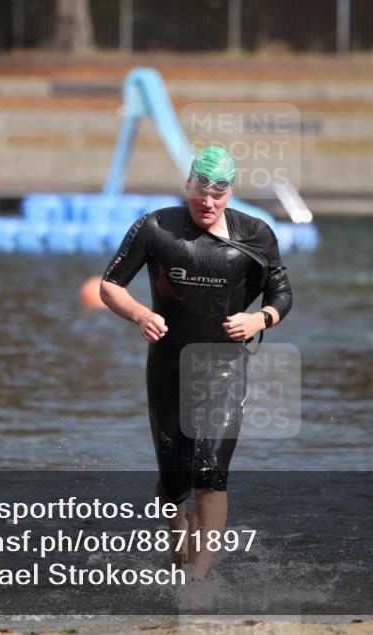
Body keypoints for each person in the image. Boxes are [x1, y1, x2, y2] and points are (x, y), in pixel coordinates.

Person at [99, 146, 292, 581]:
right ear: (188, 185)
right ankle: (177, 541)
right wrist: (141, 314)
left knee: (210, 474)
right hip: (168, 369)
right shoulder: (155, 227)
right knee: (174, 484)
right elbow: (109, 285)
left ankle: (198, 580)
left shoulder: (255, 234)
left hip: (223, 370)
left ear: (230, 193)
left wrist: (259, 317)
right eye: (200, 192)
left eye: (217, 194)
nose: (207, 203)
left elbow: (283, 294)